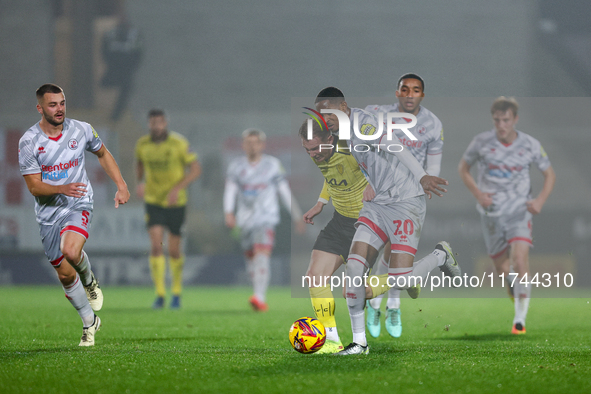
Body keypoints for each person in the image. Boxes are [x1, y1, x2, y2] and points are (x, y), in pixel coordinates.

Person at [306, 87, 460, 356]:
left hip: (405, 202)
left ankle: (439, 256)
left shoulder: (363, 124)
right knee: (354, 271)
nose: (324, 118)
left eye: (328, 112)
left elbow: (395, 147)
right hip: (376, 206)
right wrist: (363, 185)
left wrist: (422, 175)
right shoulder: (339, 134)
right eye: (321, 114)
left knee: (400, 280)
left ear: (343, 107)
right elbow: (352, 169)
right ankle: (359, 343)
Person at [18, 83, 130, 346]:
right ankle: (89, 322)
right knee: (66, 275)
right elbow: (34, 186)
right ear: (40, 108)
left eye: (62, 103)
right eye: (52, 104)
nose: (59, 109)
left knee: (71, 250)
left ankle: (89, 279)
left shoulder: (81, 129)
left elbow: (102, 152)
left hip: (78, 202)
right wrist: (60, 187)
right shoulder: (29, 141)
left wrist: (121, 185)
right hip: (48, 213)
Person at [458, 97, 555, 335]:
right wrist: (479, 194)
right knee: (503, 270)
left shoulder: (530, 144)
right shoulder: (481, 142)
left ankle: (519, 320)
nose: (501, 125)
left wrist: (540, 200)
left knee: (520, 261)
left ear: (515, 120)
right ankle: (516, 288)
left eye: (506, 120)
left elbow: (549, 174)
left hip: (519, 212)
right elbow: (463, 169)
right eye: (497, 120)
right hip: (491, 214)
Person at [364, 73, 444, 339]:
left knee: (394, 251)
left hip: (409, 196)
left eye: (416, 90)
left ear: (422, 94)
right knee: (381, 250)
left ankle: (389, 305)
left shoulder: (433, 124)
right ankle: (378, 303)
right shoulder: (377, 115)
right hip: (379, 191)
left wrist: (428, 182)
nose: (410, 94)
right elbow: (361, 146)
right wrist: (366, 180)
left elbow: (433, 162)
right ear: (397, 92)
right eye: (405, 89)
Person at [299, 99, 372, 353]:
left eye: (316, 148)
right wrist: (321, 203)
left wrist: (374, 183)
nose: (313, 154)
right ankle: (331, 340)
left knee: (355, 290)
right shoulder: (318, 153)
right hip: (340, 221)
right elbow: (330, 177)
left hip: (368, 223)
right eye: (307, 150)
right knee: (314, 278)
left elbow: (380, 163)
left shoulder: (351, 146)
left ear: (330, 137)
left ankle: (406, 277)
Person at [224, 128, 305, 312]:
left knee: (261, 254)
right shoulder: (236, 167)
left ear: (262, 144)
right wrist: (229, 212)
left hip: (266, 217)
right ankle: (257, 293)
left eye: (256, 142)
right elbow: (230, 191)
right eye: (248, 143)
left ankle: (259, 297)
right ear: (243, 145)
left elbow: (285, 192)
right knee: (251, 259)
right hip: (244, 220)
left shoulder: (272, 165)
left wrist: (297, 215)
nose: (252, 146)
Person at [135, 109, 201, 309]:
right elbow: (139, 165)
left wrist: (177, 188)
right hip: (153, 200)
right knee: (156, 245)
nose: (156, 126)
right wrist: (140, 183)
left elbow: (196, 169)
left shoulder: (179, 143)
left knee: (173, 250)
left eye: (160, 122)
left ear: (165, 123)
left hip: (176, 202)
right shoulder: (142, 144)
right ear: (149, 124)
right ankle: (160, 294)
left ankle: (177, 292)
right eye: (153, 122)